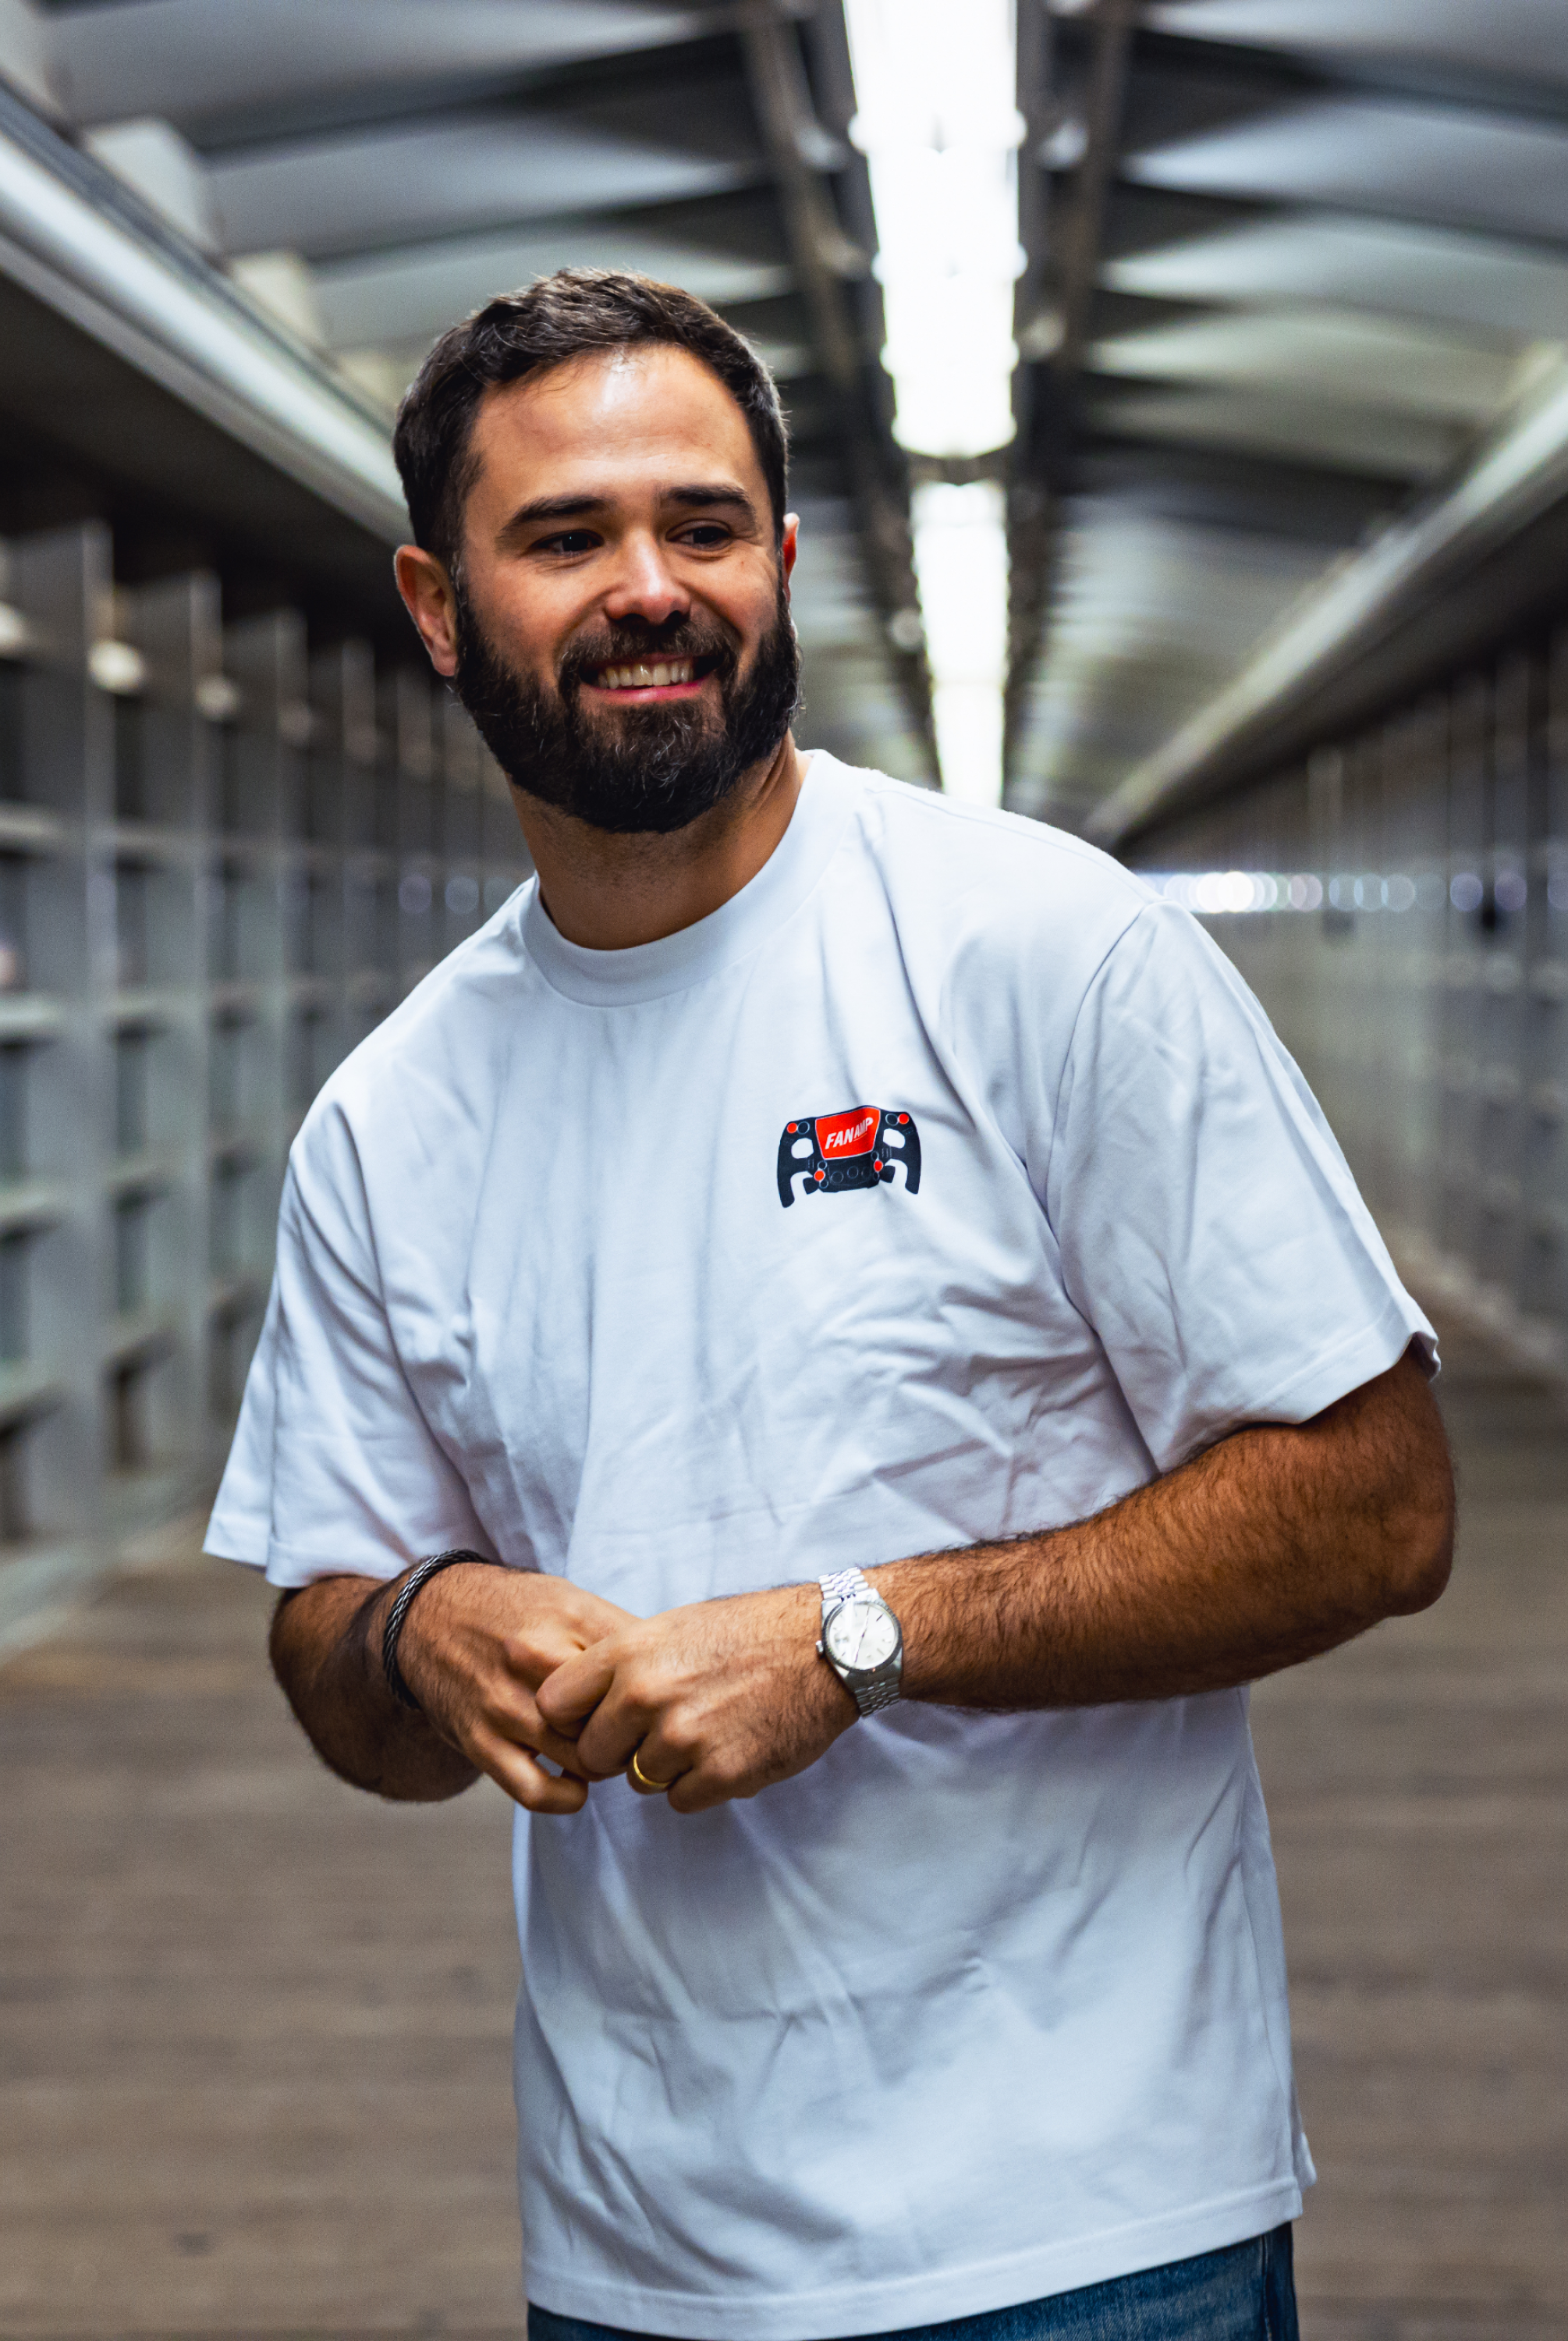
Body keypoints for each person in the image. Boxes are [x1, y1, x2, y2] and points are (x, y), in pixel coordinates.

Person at [205, 269, 1454, 2341]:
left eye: (701, 527)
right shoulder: (393, 1120)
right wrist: (427, 1631)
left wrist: (860, 1639)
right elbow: (332, 1660)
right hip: (639, 2255)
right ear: (435, 605)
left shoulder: (1038, 952)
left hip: (1092, 2229)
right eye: (566, 536)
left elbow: (1378, 1501)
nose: (648, 587)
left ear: (780, 561)